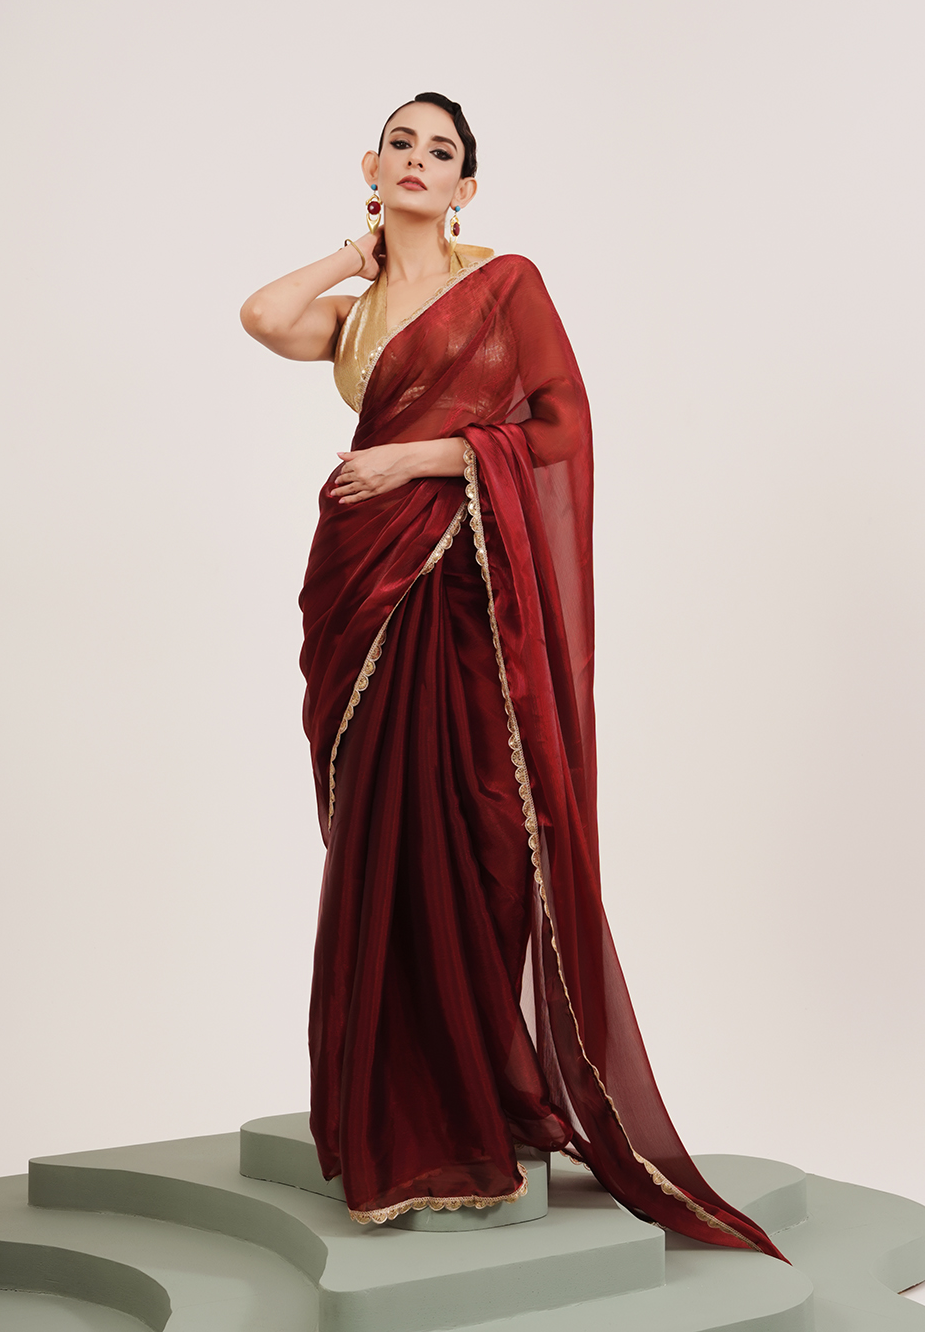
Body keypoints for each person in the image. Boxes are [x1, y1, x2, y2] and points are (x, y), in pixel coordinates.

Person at [239, 93, 785, 1259]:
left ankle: (485, 1079)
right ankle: (398, 1095)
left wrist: (420, 458)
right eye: (401, 144)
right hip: (364, 590)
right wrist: (355, 251)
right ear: (373, 165)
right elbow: (261, 316)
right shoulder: (354, 312)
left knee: (489, 820)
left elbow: (559, 427)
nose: (418, 160)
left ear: (469, 186)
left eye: (441, 151)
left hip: (466, 589)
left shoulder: (505, 287)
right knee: (382, 833)